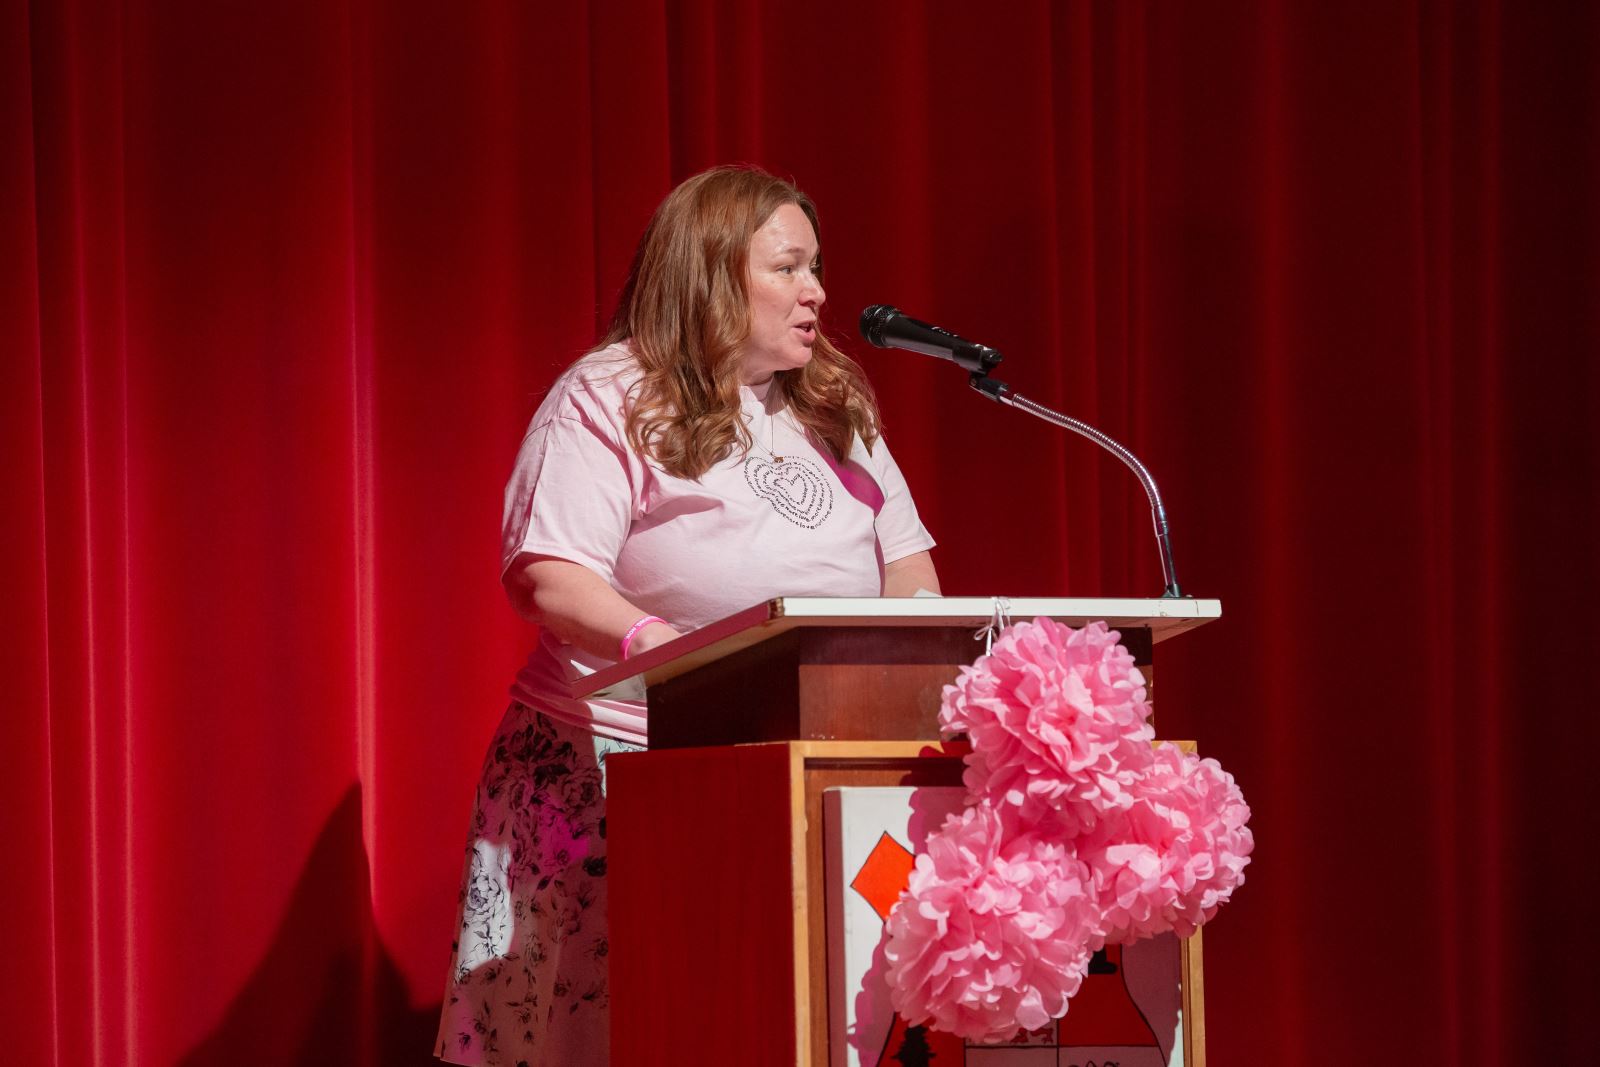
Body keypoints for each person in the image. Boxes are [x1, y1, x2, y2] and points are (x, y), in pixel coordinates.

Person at [434, 165, 939, 1066]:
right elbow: (548, 575)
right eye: (788, 267)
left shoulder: (835, 404)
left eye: (816, 266)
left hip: (810, 774)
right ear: (710, 273)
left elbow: (909, 567)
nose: (817, 290)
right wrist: (683, 656)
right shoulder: (609, 395)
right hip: (614, 773)